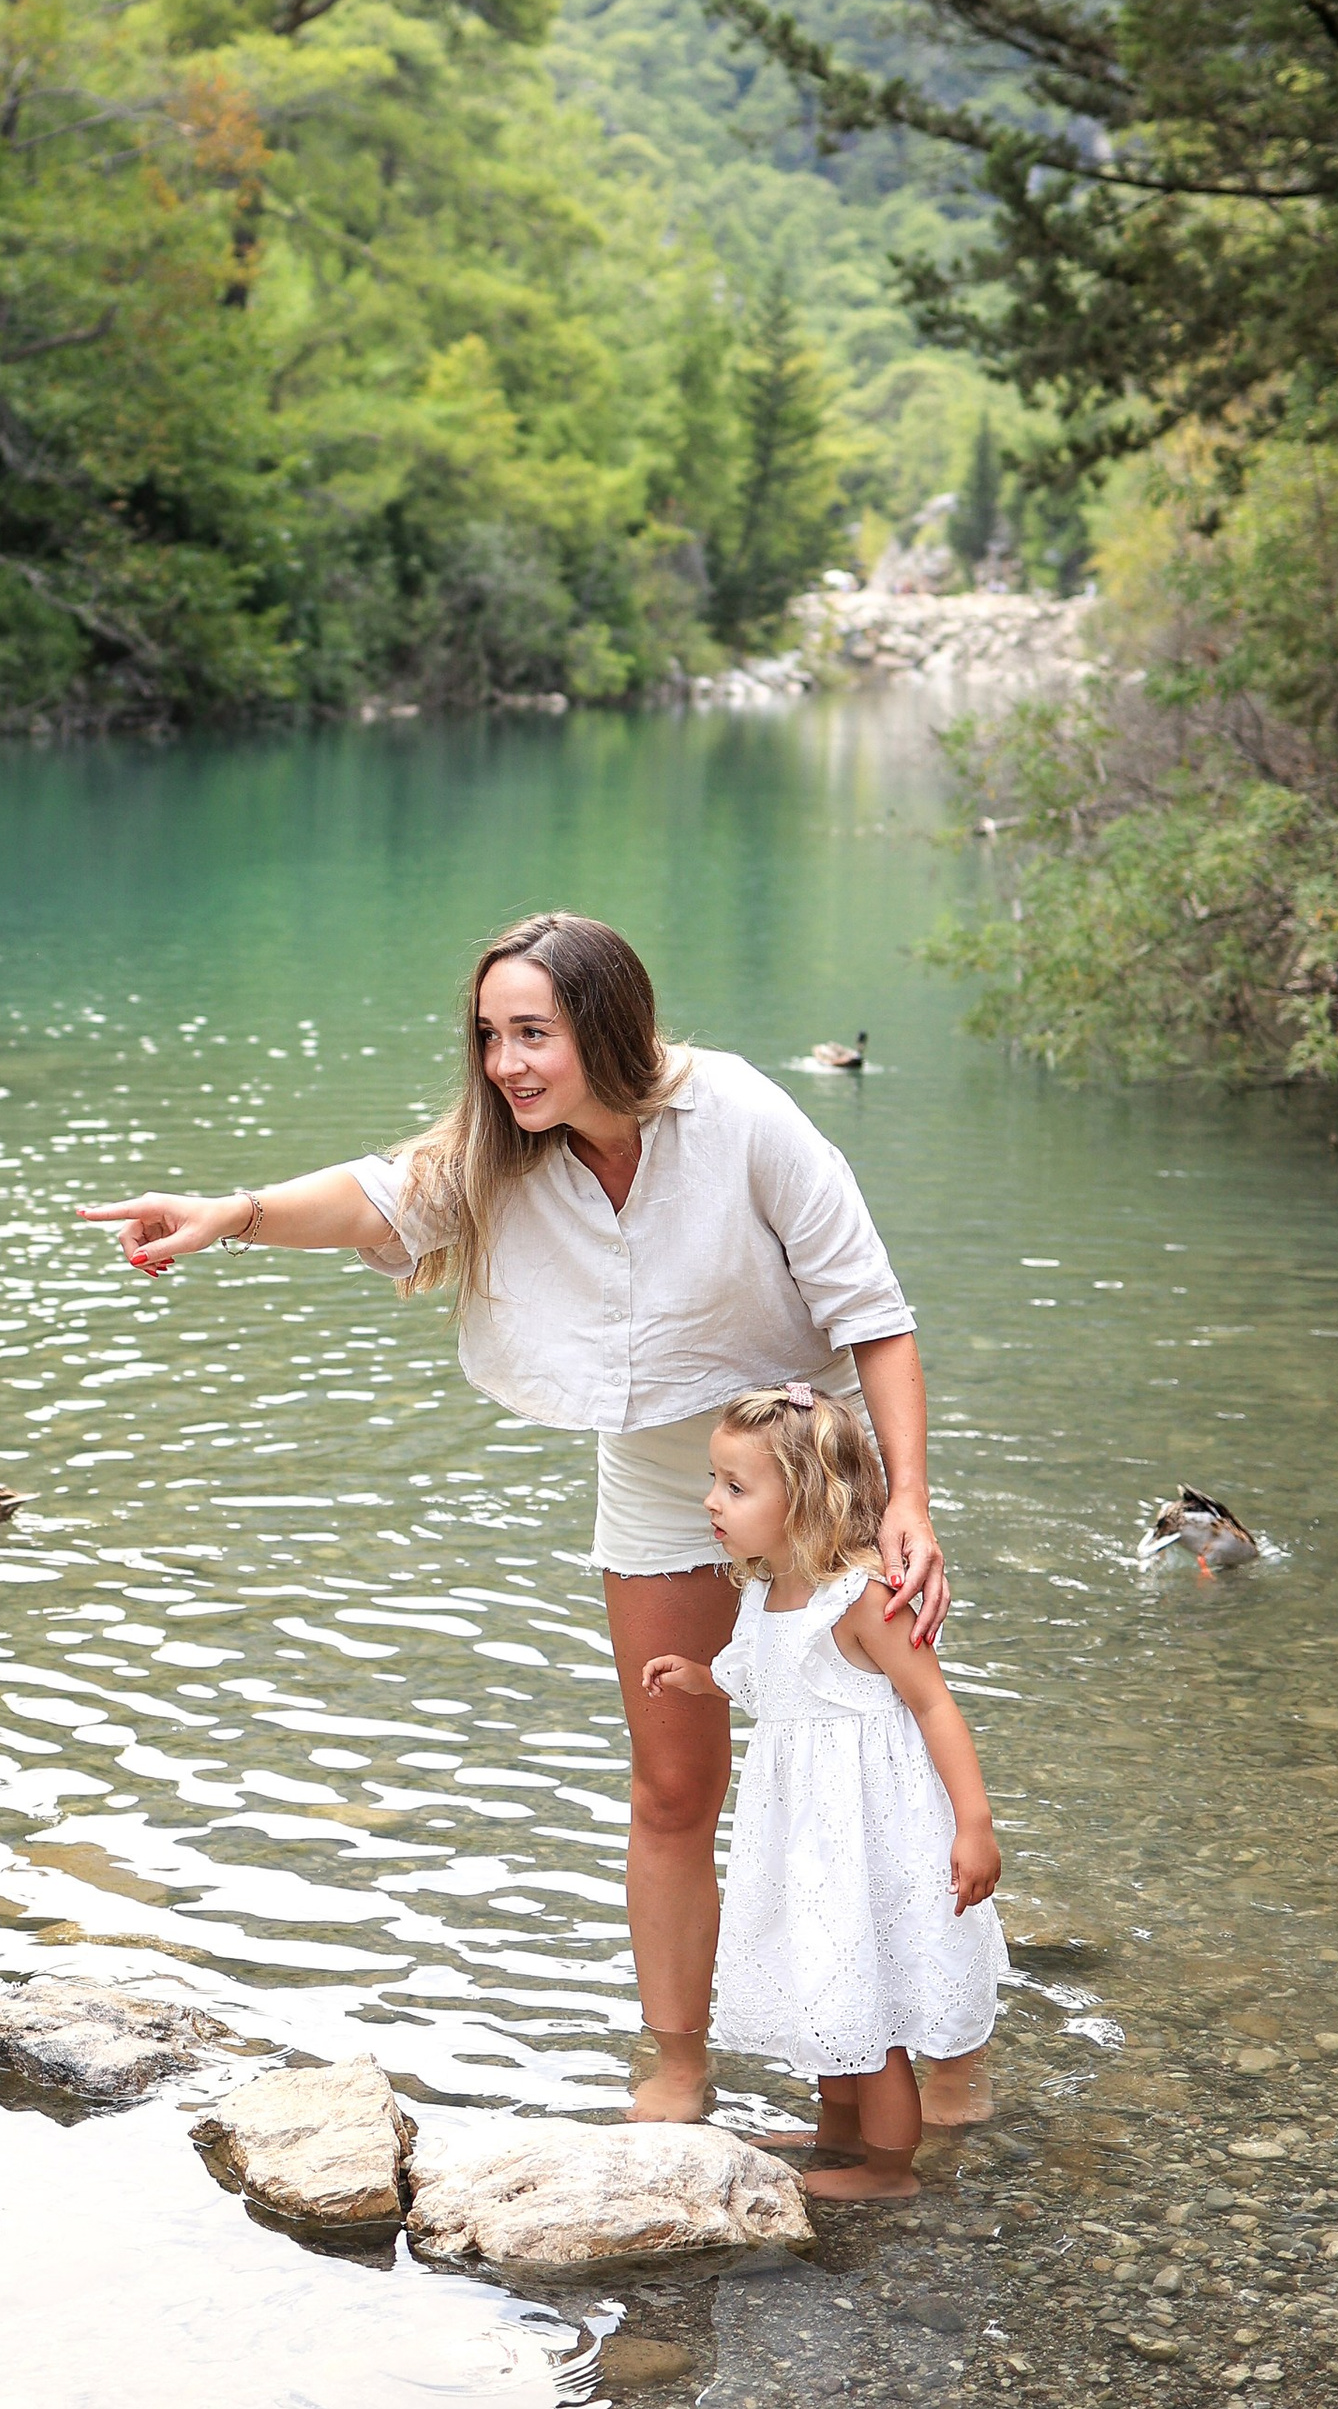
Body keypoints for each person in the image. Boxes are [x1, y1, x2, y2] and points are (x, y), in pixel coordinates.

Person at [77, 910, 948, 2123]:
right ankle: (679, 2064)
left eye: (532, 1034)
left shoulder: (742, 1114)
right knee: (670, 1786)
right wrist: (232, 1214)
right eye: (490, 1035)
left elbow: (874, 1313)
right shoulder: (499, 1144)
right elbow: (376, 1199)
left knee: (873, 1764)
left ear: (607, 1026)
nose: (505, 1065)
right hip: (662, 1476)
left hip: (819, 1469)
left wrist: (906, 1500)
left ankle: (937, 2047)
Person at [643, 1380, 1002, 2194]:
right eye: (715, 1481)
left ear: (805, 1500)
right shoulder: (767, 1590)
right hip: (805, 1839)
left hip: (869, 1838)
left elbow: (934, 1705)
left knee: (870, 2003)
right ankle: (837, 2132)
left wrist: (973, 1827)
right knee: (827, 1980)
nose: (711, 1501)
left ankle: (888, 2167)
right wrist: (702, 1679)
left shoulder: (861, 1597)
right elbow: (779, 1685)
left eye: (735, 1488)